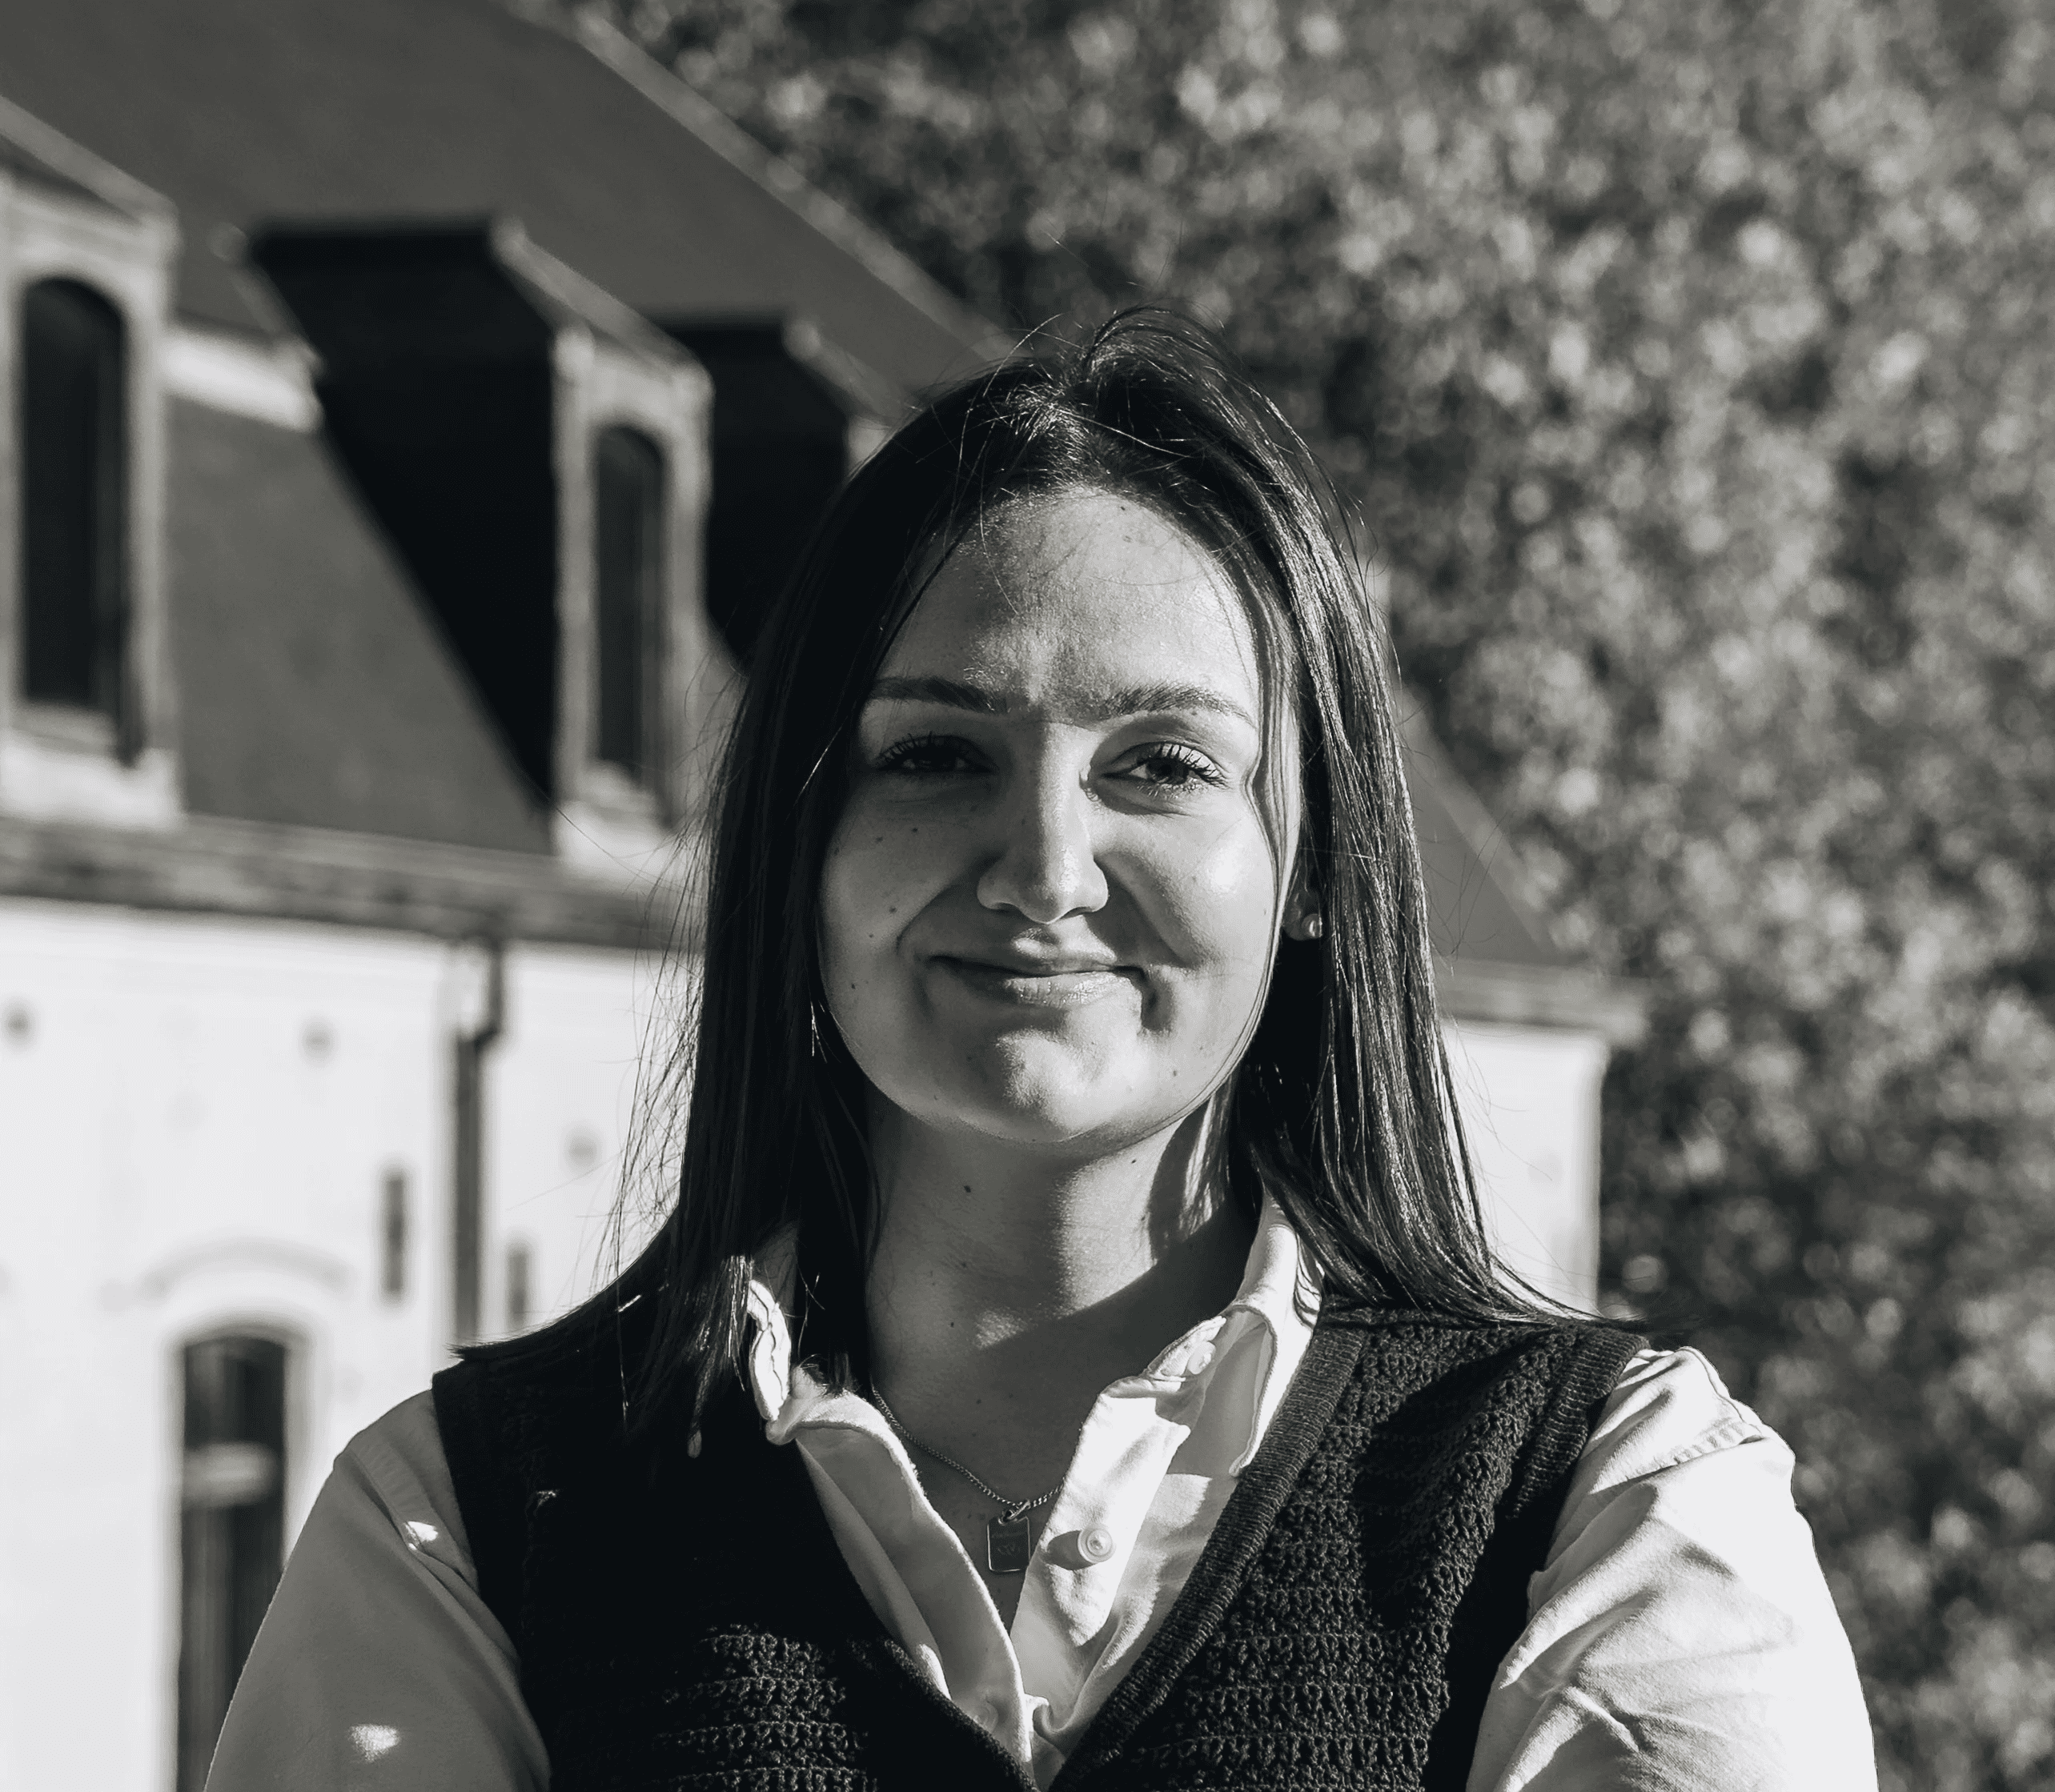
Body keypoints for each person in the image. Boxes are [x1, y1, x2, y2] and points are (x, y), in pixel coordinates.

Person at [207, 312, 1874, 1790]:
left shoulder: (1605, 1509)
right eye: (937, 755)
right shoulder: (465, 1530)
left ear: (1312, 867)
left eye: (1160, 765)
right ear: (803, 842)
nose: (1043, 869)